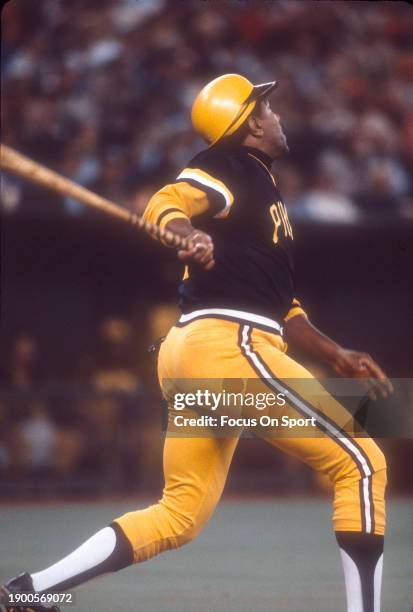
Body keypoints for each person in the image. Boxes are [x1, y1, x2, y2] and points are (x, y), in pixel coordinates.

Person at [0, 74, 393, 612]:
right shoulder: (226, 166)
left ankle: (34, 590)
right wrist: (187, 234)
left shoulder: (261, 189)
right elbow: (167, 201)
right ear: (252, 123)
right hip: (227, 347)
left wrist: (334, 354)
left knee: (180, 513)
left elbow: (281, 304)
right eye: (268, 108)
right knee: (362, 463)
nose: (276, 115)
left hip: (193, 350)